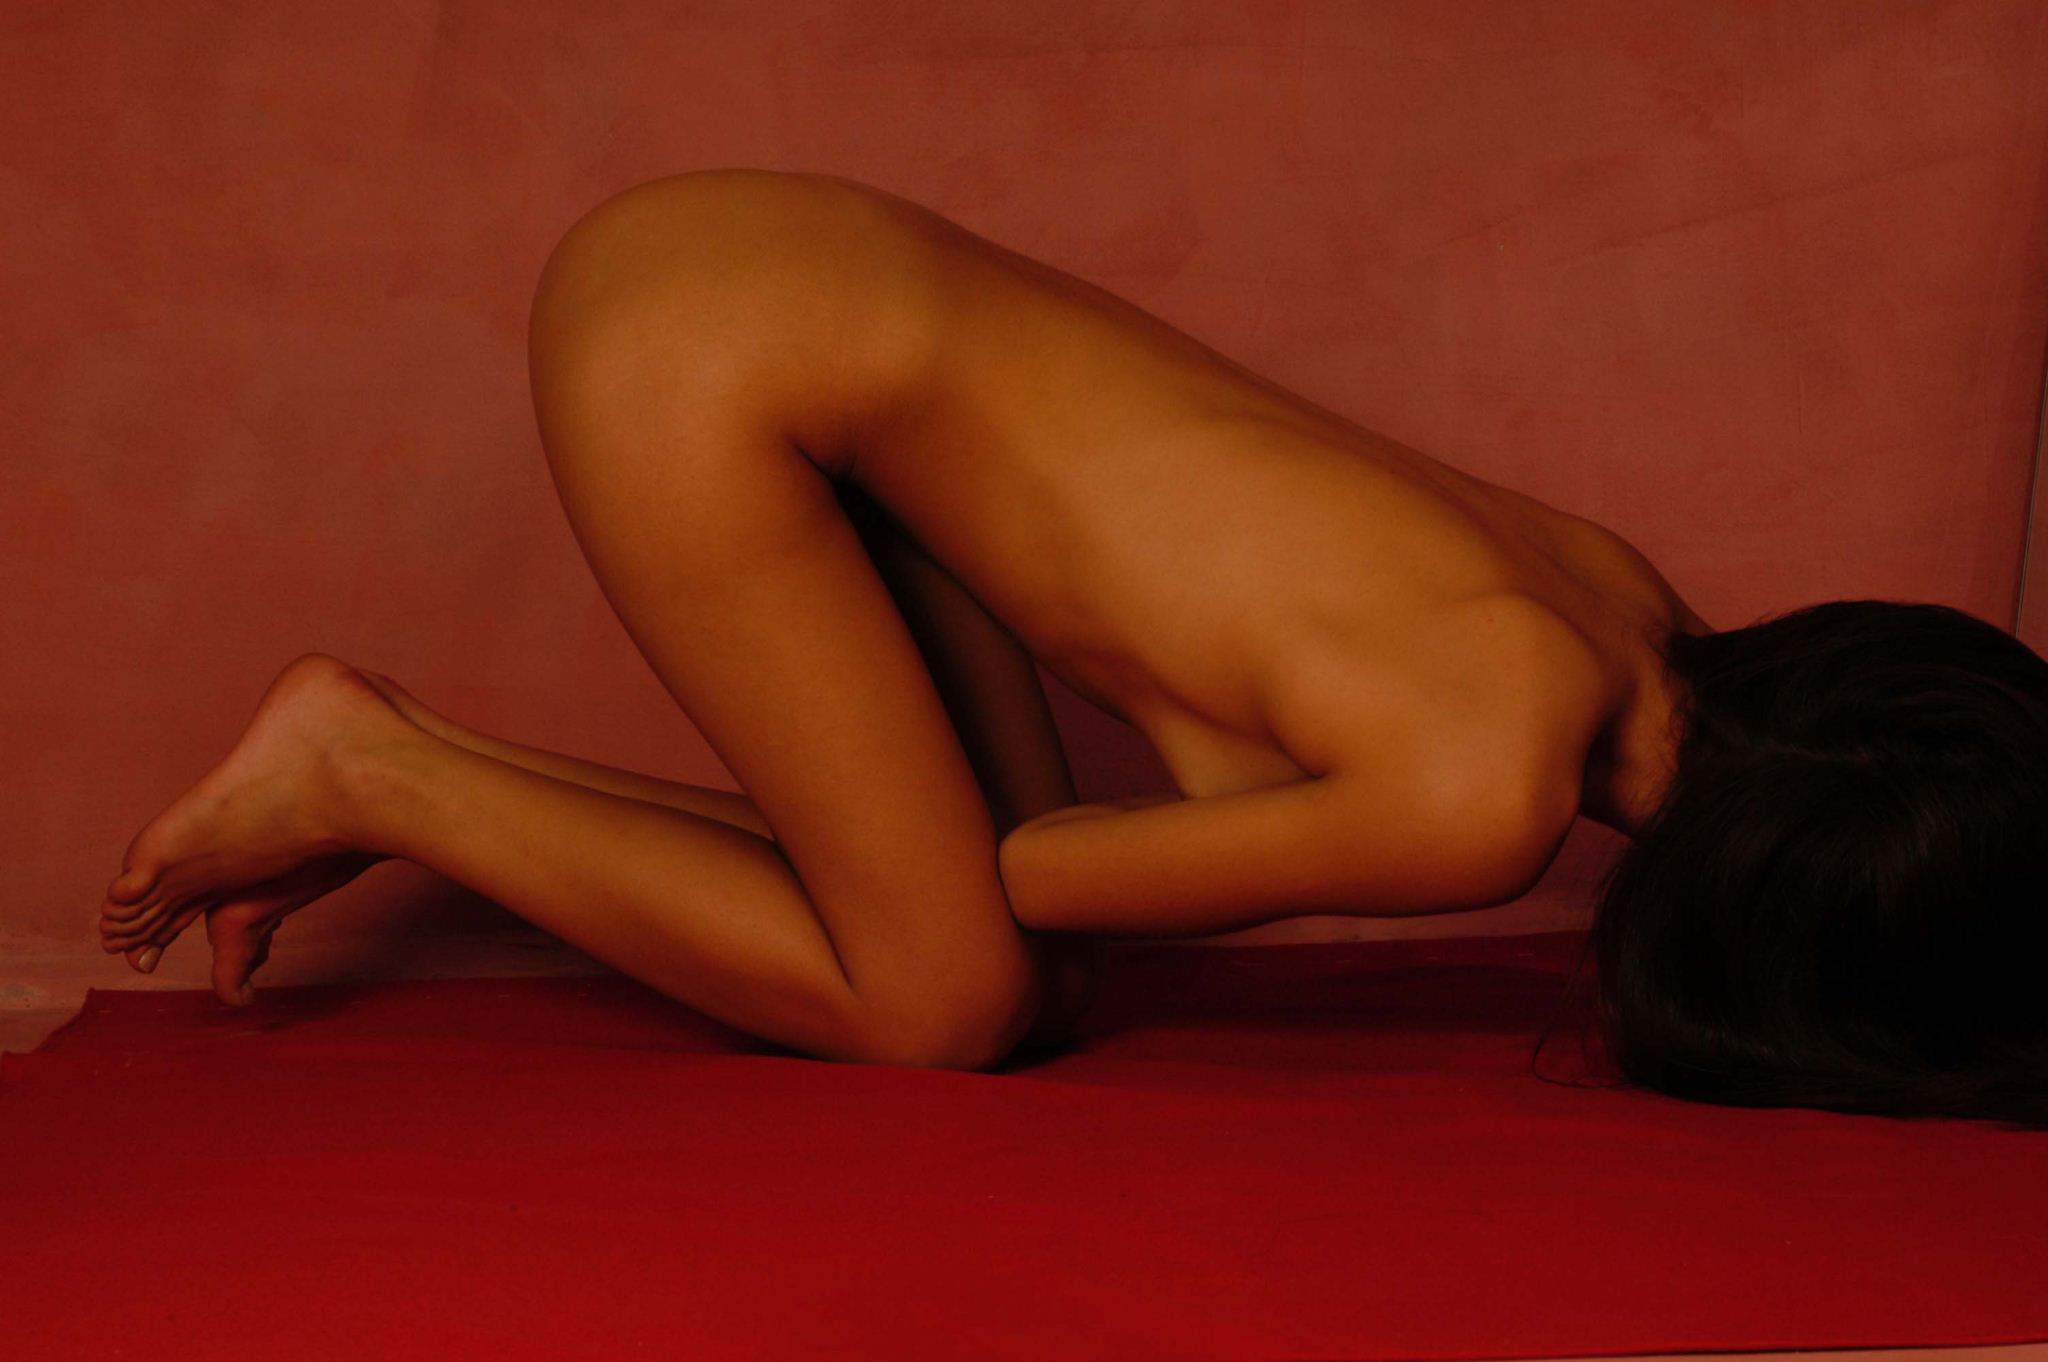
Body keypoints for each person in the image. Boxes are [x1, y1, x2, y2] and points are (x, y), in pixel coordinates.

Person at [98, 170, 2048, 1122]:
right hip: (719, 363)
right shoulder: (1483, 793)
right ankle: (376, 771)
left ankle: (382, 748)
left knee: (1023, 986)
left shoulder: (1612, 600)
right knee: (945, 998)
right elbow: (1029, 875)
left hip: (783, 282)